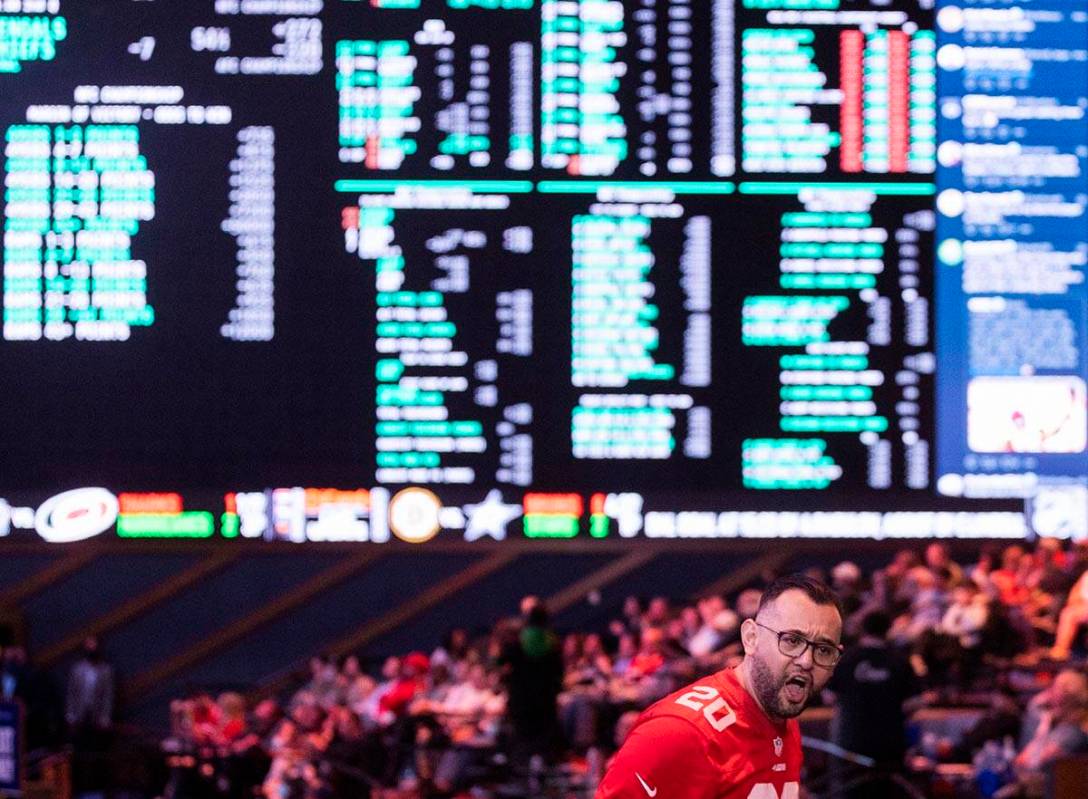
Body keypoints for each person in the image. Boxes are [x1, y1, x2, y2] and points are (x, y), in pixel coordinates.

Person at [596, 574, 844, 799]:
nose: (807, 661)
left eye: (823, 650)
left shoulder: (783, 718)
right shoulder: (681, 733)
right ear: (751, 638)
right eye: (791, 640)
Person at [826, 610, 921, 798]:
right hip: (890, 743)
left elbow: (829, 697)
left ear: (863, 629)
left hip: (851, 742)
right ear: (888, 629)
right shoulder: (900, 661)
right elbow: (916, 702)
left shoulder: (847, 659)